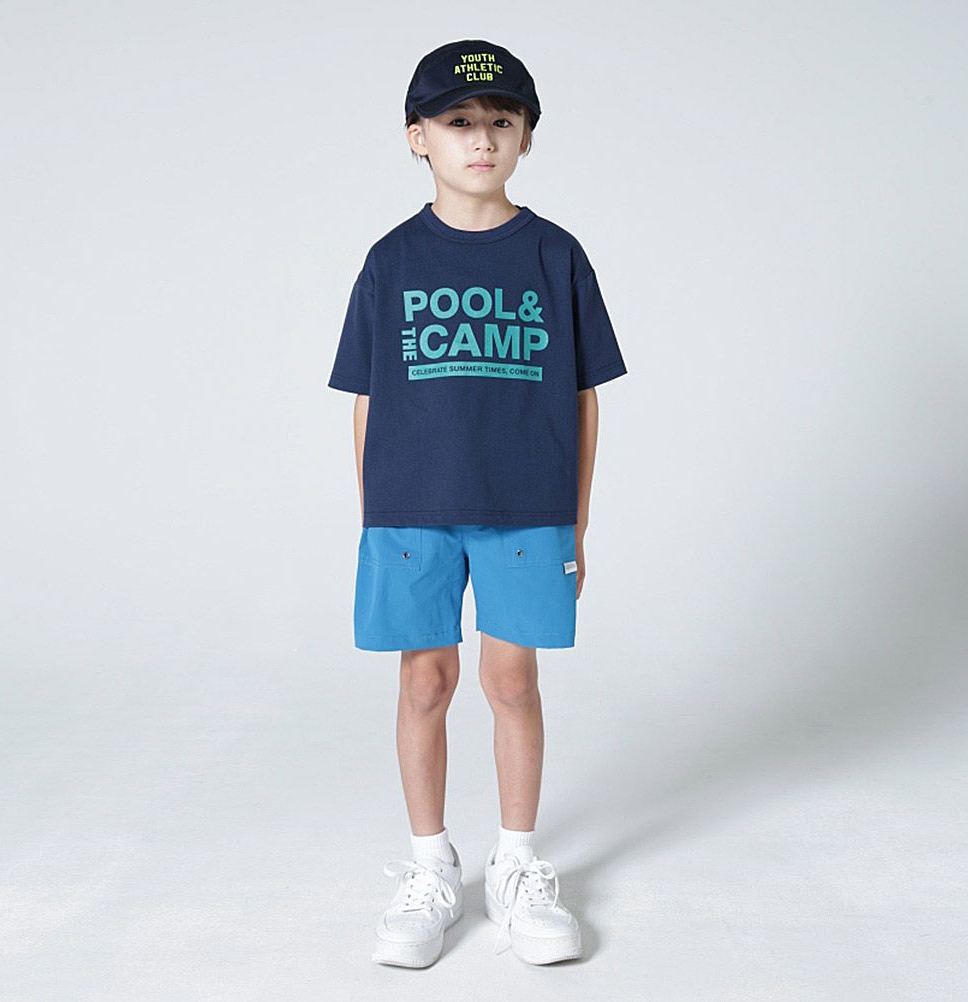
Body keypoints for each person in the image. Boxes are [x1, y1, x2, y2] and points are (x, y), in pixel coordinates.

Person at [327, 38, 628, 968]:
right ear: (418, 136)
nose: (482, 138)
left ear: (527, 136)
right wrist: (375, 517)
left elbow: (583, 397)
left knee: (511, 682)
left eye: (502, 120)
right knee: (424, 681)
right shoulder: (390, 260)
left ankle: (517, 863)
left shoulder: (555, 254)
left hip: (527, 506)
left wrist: (577, 521)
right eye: (459, 122)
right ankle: (430, 867)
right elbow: (366, 398)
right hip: (411, 510)